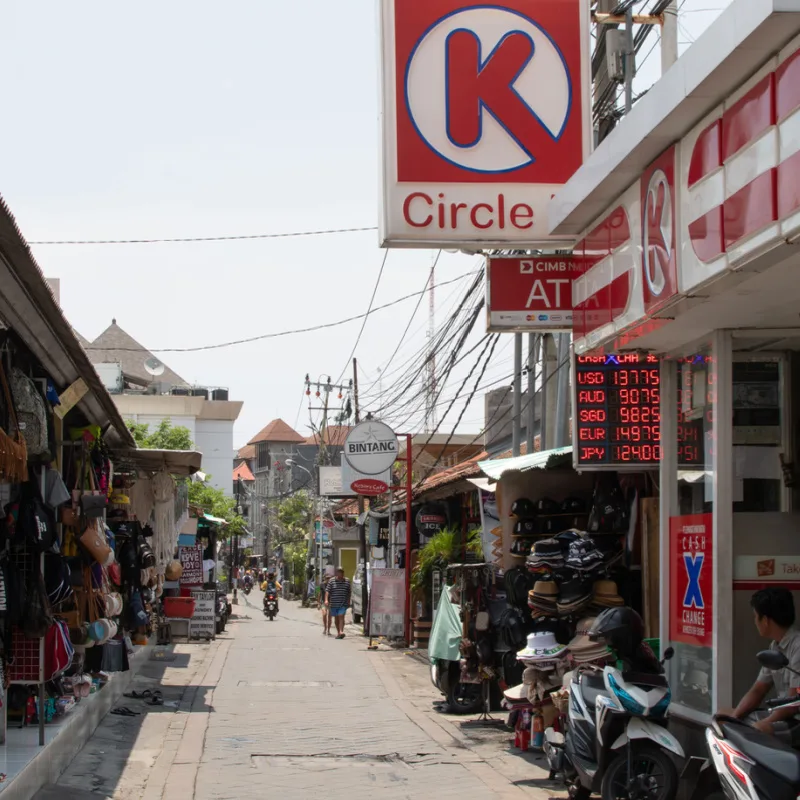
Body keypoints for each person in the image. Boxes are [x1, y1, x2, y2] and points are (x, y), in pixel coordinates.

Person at [733, 587, 800, 740]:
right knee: (725, 718)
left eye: (755, 617)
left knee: (757, 731)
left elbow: (793, 703)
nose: (754, 622)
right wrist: (734, 717)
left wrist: (766, 722)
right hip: (784, 716)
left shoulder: (798, 646)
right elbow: (758, 690)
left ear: (765, 620)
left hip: (795, 719)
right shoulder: (775, 646)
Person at [325, 568, 351, 640]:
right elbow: (327, 591)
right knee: (336, 619)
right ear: (337, 573)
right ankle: (339, 632)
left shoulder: (347, 581)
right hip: (334, 603)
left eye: (342, 572)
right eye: (339, 572)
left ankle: (341, 631)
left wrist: (349, 600)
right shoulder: (331, 581)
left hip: (343, 603)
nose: (340, 574)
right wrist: (326, 600)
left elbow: (349, 592)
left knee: (341, 616)